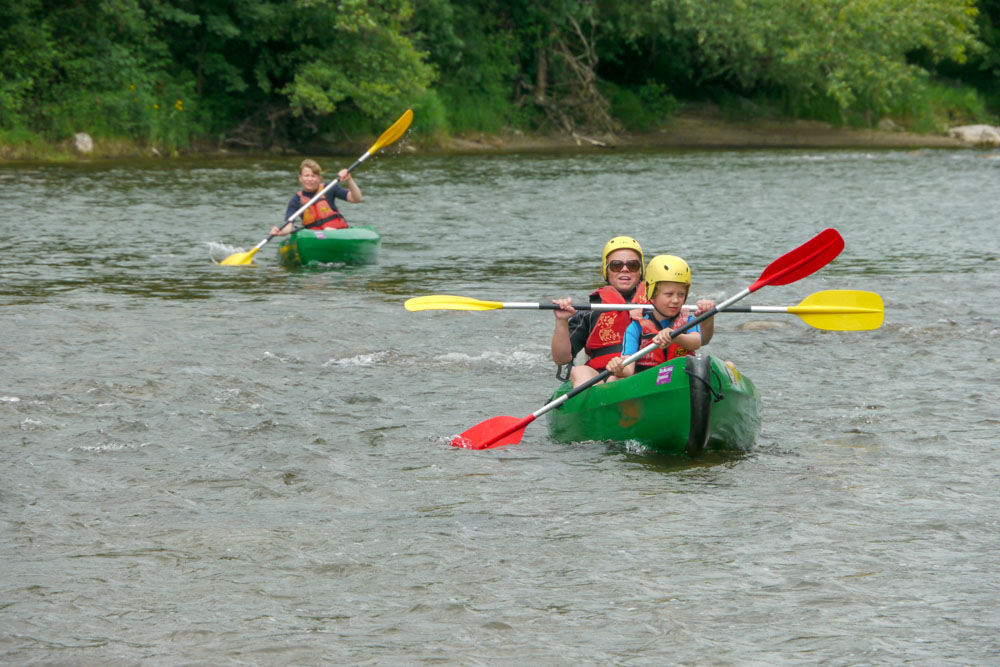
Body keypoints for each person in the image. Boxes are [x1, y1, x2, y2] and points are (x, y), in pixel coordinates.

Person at [551, 237, 715, 388]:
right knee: (579, 371)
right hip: (603, 376)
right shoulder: (591, 310)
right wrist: (561, 321)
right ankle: (598, 410)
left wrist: (707, 317)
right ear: (606, 269)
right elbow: (561, 359)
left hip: (652, 374)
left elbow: (701, 340)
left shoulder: (662, 302)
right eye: (616, 265)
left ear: (642, 270)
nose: (624, 269)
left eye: (632, 265)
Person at [606, 255, 703, 379]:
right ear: (652, 293)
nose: (675, 300)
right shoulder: (636, 328)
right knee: (613, 378)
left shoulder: (688, 321)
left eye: (681, 294)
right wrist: (619, 368)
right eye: (669, 294)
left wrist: (676, 336)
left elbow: (696, 342)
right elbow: (628, 369)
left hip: (682, 378)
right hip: (649, 382)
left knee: (728, 364)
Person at [270, 158, 363, 236]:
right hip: (316, 237)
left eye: (313, 176)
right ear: (300, 178)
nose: (310, 179)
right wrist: (280, 232)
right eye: (306, 176)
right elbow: (289, 226)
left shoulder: (329, 188)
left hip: (337, 232)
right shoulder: (296, 200)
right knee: (322, 232)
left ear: (319, 178)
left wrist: (349, 180)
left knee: (328, 230)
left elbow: (357, 199)